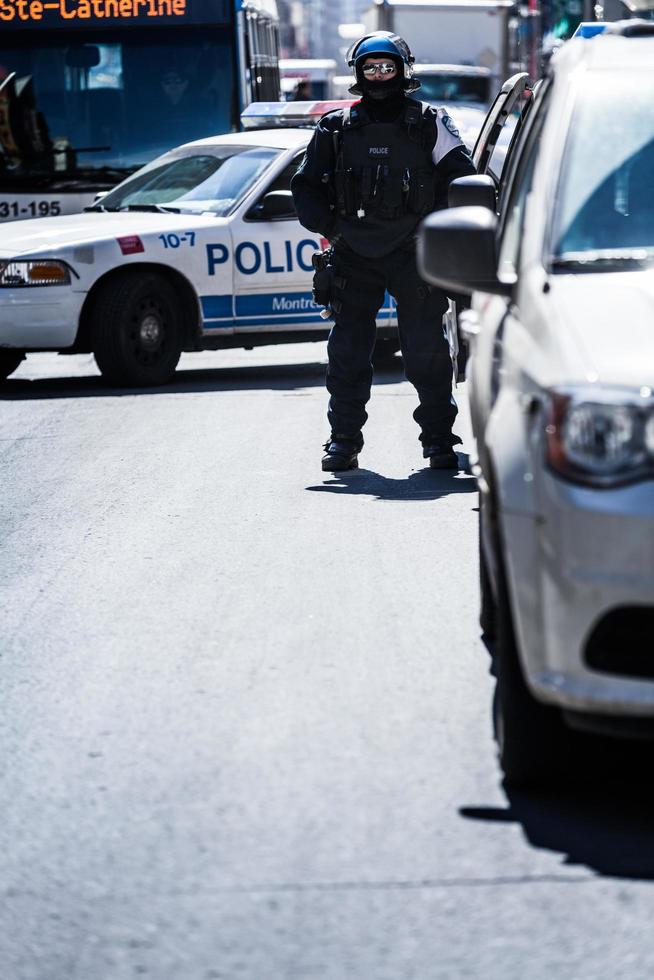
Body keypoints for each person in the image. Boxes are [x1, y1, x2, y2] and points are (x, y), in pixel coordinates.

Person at [291, 31, 476, 472]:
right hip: (354, 255)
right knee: (348, 354)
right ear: (358, 73)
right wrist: (335, 232)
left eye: (387, 67)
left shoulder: (430, 121)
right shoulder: (335, 128)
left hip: (414, 255)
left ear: (403, 71)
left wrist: (437, 234)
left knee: (426, 351)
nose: (379, 75)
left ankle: (438, 441)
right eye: (370, 67)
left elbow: (463, 182)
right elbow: (305, 189)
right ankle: (343, 442)